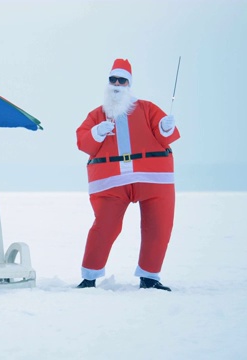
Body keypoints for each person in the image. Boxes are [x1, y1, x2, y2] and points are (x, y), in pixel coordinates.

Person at [75, 58, 180, 291]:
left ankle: (150, 277)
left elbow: (165, 134)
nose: (117, 84)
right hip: (111, 180)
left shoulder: (148, 108)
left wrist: (166, 126)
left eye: (122, 80)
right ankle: (89, 277)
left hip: (152, 176)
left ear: (129, 84)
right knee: (104, 226)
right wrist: (97, 132)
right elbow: (83, 142)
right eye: (113, 79)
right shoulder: (96, 115)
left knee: (159, 226)